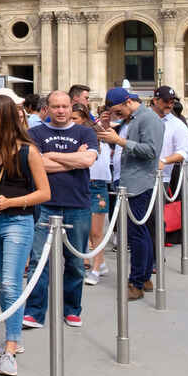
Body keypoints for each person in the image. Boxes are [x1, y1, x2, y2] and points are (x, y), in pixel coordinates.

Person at [0, 94, 49, 375]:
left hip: (18, 220)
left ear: (2, 116)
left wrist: (11, 202)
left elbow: (44, 192)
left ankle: (11, 344)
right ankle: (11, 336)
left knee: (9, 282)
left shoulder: (28, 150)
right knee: (2, 282)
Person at [23, 91, 98, 331]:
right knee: (38, 261)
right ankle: (35, 312)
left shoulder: (85, 131)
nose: (61, 111)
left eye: (65, 106)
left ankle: (72, 309)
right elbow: (36, 164)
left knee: (75, 261)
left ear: (71, 107)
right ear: (47, 108)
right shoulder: (34, 133)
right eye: (56, 106)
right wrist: (73, 158)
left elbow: (87, 161)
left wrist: (53, 155)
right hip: (44, 204)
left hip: (77, 204)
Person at [98, 87, 164, 300]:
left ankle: (136, 281)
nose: (117, 115)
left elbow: (151, 151)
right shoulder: (132, 119)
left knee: (137, 234)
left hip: (139, 183)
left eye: (118, 111)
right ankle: (143, 277)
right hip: (127, 182)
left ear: (128, 102)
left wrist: (120, 141)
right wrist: (109, 128)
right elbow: (117, 141)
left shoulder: (148, 119)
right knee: (138, 233)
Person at [153, 86, 188, 246]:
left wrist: (164, 161)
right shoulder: (142, 119)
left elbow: (184, 152)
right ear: (155, 100)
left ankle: (155, 258)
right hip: (138, 175)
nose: (169, 105)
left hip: (161, 176)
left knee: (155, 219)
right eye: (166, 101)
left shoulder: (177, 125)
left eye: (171, 102)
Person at [81, 104, 113, 285]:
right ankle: (99, 263)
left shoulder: (100, 135)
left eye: (76, 118)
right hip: (81, 184)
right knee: (84, 229)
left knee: (95, 231)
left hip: (97, 185)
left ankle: (96, 267)